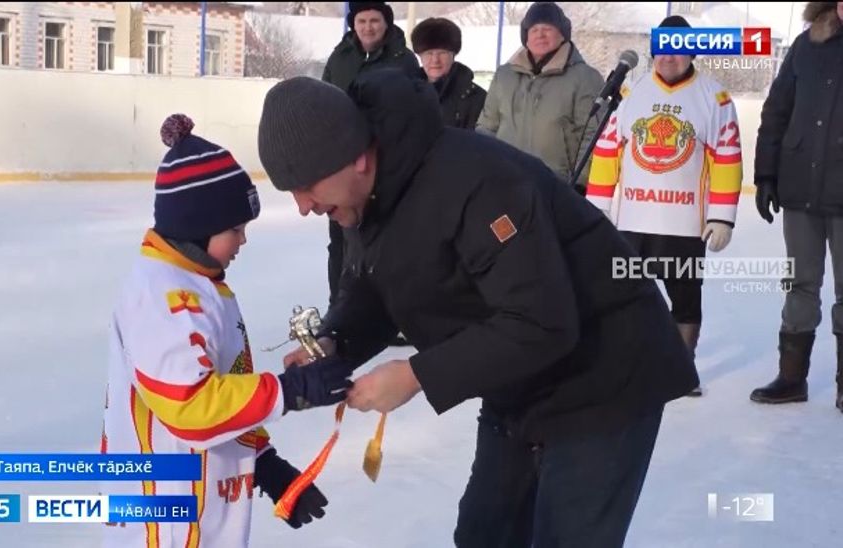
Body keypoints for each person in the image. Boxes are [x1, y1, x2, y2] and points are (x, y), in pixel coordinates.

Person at [257, 71, 698, 547]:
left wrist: (416, 375)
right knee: (484, 537)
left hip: (605, 377)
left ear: (357, 158)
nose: (303, 206)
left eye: (306, 187)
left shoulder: (477, 183)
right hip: (518, 382)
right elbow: (373, 288)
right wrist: (335, 341)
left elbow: (541, 320)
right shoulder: (364, 196)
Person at [100, 114, 355, 547]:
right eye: (235, 229)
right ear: (196, 227)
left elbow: (225, 390)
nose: (243, 241)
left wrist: (265, 462)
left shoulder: (203, 286)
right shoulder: (162, 298)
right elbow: (191, 406)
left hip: (203, 507)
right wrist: (288, 391)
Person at [585, 15, 744, 397]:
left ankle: (681, 368)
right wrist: (598, 205)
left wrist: (722, 217)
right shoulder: (630, 93)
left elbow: (728, 157)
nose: (669, 57)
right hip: (633, 220)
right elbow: (608, 151)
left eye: (678, 49)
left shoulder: (715, 97)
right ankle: (627, 362)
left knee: (685, 297)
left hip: (685, 223)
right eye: (663, 50)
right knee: (623, 295)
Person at [752, 1, 843, 411]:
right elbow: (776, 110)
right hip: (801, 184)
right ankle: (791, 378)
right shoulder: (806, 45)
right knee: (800, 283)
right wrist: (766, 175)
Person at [322, 2, 420, 311]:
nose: (368, 27)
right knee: (342, 240)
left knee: (386, 242)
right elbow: (323, 102)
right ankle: (339, 309)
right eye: (361, 20)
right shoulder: (340, 58)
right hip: (343, 164)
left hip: (387, 165)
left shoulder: (403, 60)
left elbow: (416, 110)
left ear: (386, 23)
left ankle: (388, 311)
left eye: (374, 20)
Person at [477, 2, 603, 191]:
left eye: (547, 28)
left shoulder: (585, 78)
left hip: (556, 187)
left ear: (562, 34)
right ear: (525, 36)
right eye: (534, 29)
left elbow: (592, 135)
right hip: (503, 182)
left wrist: (579, 182)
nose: (540, 35)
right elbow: (486, 129)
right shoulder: (504, 76)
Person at [410, 17, 487, 129]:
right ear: (419, 56)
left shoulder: (474, 97)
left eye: (442, 53)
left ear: (453, 55)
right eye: (429, 53)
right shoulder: (407, 92)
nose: (435, 60)